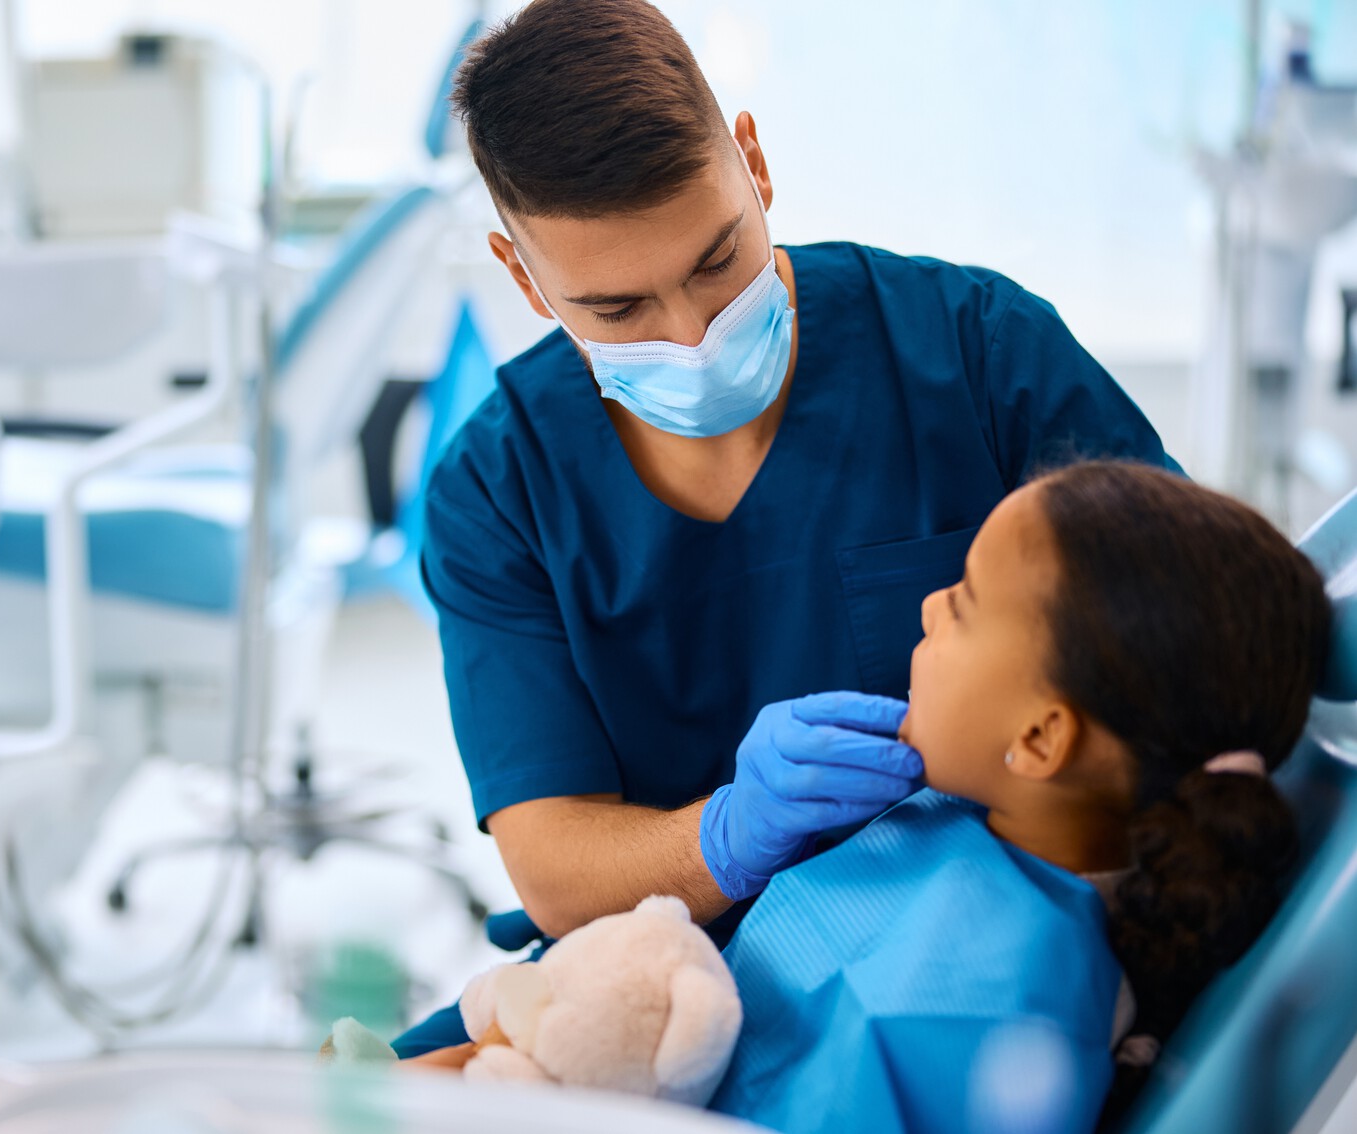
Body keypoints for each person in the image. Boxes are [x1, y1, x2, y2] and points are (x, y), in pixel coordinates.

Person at [397, 0, 1177, 1057]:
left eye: (718, 261)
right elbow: (556, 863)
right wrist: (726, 834)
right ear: (524, 275)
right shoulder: (499, 486)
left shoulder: (978, 354)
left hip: (962, 933)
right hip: (665, 965)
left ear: (754, 165)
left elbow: (1181, 628)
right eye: (619, 311)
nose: (692, 334)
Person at [712, 462, 1327, 1132]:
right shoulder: (962, 814)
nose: (927, 606)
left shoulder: (1006, 1011)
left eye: (964, 602)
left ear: (1038, 739)